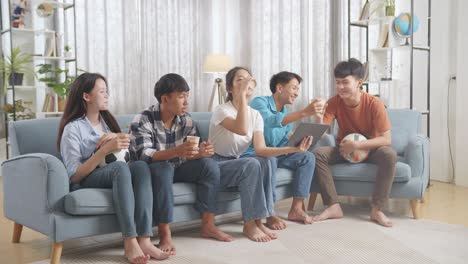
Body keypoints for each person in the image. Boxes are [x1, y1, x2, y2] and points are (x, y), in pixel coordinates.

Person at [58, 73, 169, 264]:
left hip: (115, 171)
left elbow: (126, 157)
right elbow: (74, 175)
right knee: (120, 169)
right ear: (86, 96)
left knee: (141, 166)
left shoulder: (107, 124)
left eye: (107, 91)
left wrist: (119, 139)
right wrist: (103, 151)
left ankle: (144, 239)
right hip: (87, 178)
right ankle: (129, 240)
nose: (107, 95)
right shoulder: (72, 129)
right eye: (102, 91)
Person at [129, 73, 232, 254]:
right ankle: (164, 232)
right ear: (165, 98)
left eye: (187, 96)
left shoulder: (186, 119)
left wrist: (200, 153)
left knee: (209, 165)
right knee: (164, 168)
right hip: (151, 171)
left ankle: (208, 225)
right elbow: (144, 155)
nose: (186, 102)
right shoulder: (143, 119)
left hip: (178, 167)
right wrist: (177, 151)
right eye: (181, 96)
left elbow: (187, 155)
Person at [209, 67, 313, 240]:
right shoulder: (221, 110)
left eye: (247, 79)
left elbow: (261, 150)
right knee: (252, 163)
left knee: (264, 160)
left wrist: (294, 149)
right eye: (239, 80)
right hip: (217, 164)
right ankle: (249, 224)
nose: (245, 83)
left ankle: (258, 222)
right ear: (229, 88)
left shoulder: (255, 115)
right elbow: (241, 128)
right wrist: (242, 96)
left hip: (237, 162)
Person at [312, 58, 397, 227]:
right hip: (344, 149)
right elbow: (321, 133)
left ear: (359, 82)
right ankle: (333, 206)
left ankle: (377, 209)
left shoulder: (374, 104)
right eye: (337, 82)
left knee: (389, 155)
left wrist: (358, 145)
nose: (340, 87)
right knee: (317, 154)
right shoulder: (334, 102)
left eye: (345, 82)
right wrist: (318, 116)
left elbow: (386, 139)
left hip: (372, 149)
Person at [246, 71, 325, 229]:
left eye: (298, 89)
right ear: (280, 88)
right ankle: (270, 213)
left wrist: (301, 141)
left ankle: (296, 208)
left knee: (307, 157)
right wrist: (304, 112)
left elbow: (283, 141)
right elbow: (269, 122)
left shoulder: (286, 114)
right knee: (270, 159)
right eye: (294, 88)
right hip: (257, 154)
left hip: (277, 153)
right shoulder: (259, 102)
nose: (297, 93)